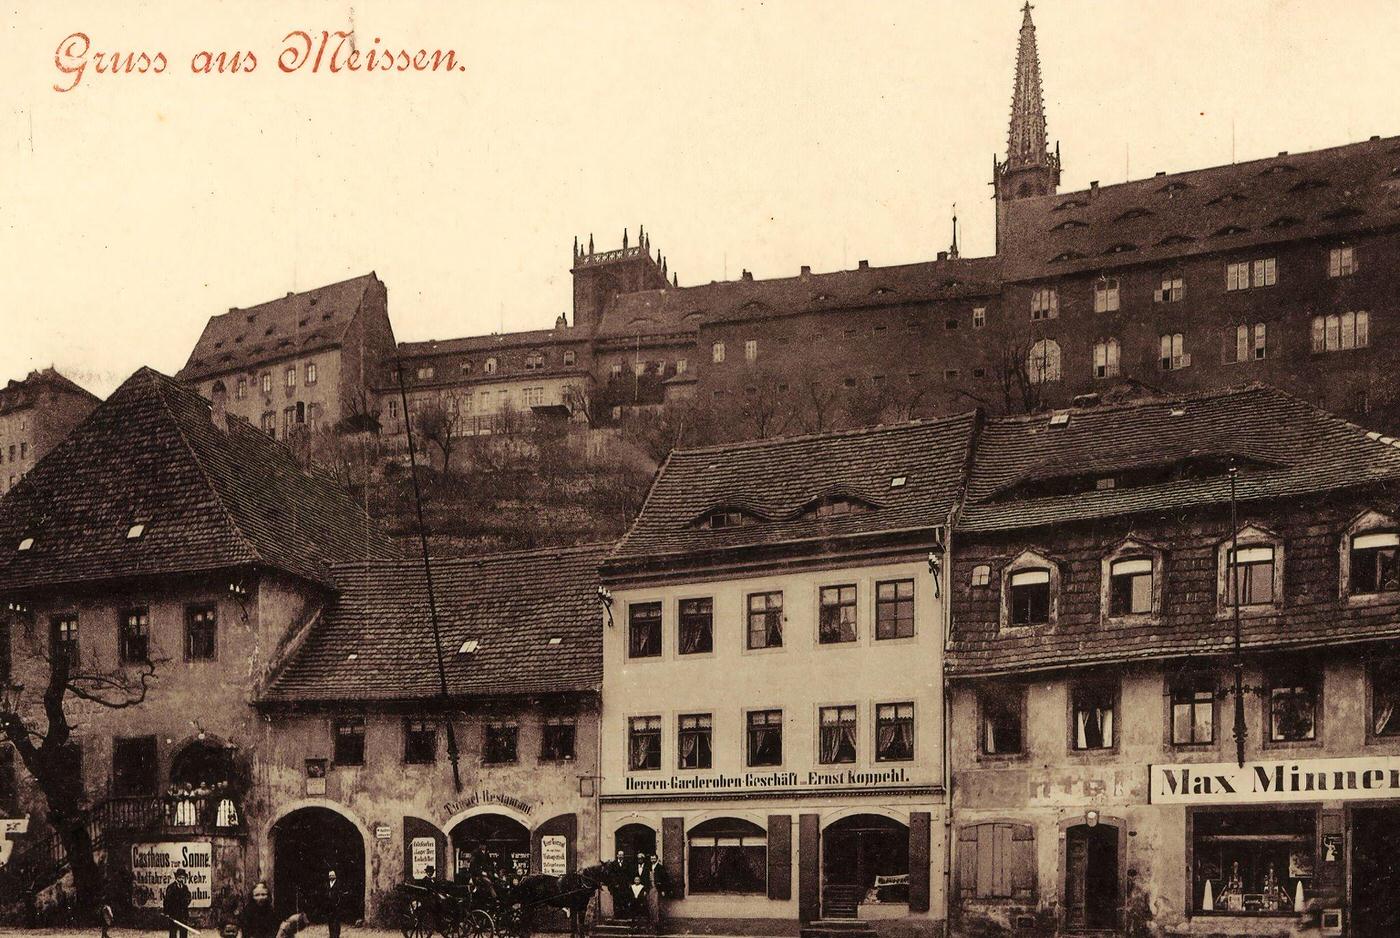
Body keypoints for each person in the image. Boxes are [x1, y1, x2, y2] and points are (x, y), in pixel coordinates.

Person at [163, 868, 193, 938]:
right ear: (176, 877)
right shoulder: (171, 887)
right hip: (174, 914)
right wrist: (166, 912)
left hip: (183, 914)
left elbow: (188, 897)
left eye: (183, 877)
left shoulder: (185, 888)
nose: (181, 879)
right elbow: (167, 900)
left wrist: (186, 903)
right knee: (173, 932)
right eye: (180, 877)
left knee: (183, 932)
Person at [324, 870, 344, 938]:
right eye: (329, 875)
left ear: (335, 876)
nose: (331, 877)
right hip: (329, 906)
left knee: (336, 921)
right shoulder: (327, 884)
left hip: (336, 905)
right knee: (330, 920)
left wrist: (337, 904)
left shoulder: (339, 884)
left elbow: (340, 895)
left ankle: (336, 935)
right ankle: (331, 935)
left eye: (332, 875)